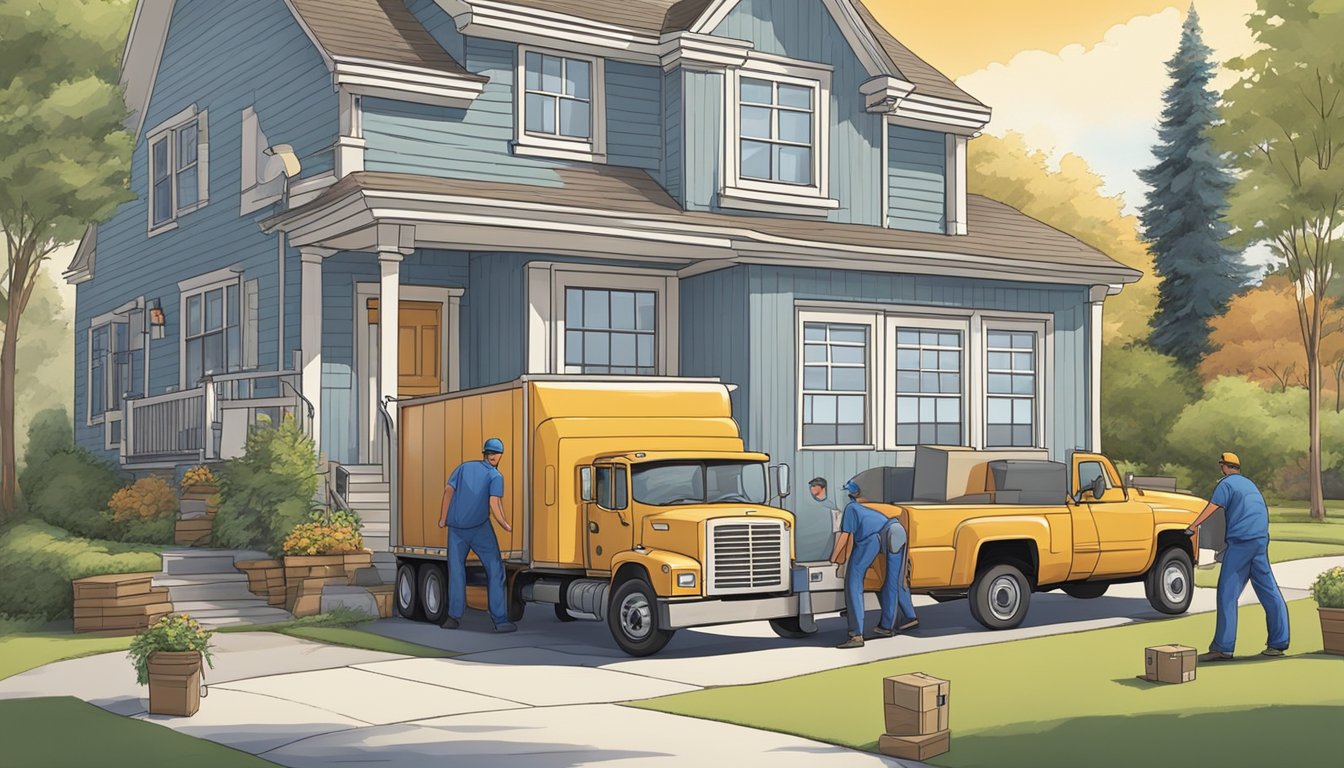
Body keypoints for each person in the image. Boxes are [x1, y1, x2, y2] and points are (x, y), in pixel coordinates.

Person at [1185, 451, 1289, 661]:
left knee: (1227, 594)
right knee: (1269, 591)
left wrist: (1192, 526)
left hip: (1241, 542)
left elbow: (1212, 508)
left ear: (1223, 466)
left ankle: (1223, 648)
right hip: (1259, 541)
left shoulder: (1226, 484)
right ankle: (1278, 643)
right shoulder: (1249, 484)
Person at [437, 437, 515, 633]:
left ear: (484, 452)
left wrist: (442, 518)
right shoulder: (495, 476)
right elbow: (494, 503)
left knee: (456, 571)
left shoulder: (464, 467)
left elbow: (448, 491)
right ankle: (500, 620)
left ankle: (453, 618)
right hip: (480, 529)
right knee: (495, 569)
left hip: (456, 529)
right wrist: (504, 523)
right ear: (498, 456)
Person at [830, 477, 918, 649]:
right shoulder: (869, 509)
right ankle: (892, 625)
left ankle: (856, 635)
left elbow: (845, 537)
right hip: (897, 531)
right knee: (894, 581)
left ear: (850, 495)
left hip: (875, 538)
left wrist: (833, 558)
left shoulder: (851, 509)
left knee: (854, 580)